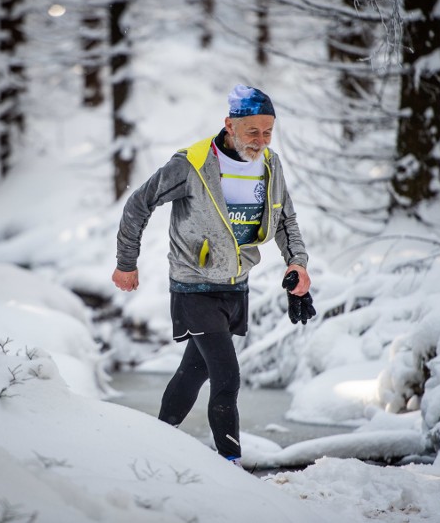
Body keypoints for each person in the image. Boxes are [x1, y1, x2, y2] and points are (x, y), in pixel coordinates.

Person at [111, 84, 315, 467]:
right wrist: (126, 262)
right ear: (230, 124)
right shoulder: (192, 164)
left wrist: (297, 262)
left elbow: (285, 218)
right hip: (193, 288)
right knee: (227, 376)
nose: (260, 140)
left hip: (235, 287)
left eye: (268, 132)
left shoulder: (270, 165)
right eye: (252, 131)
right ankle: (230, 464)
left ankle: (153, 442)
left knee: (194, 371)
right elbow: (139, 204)